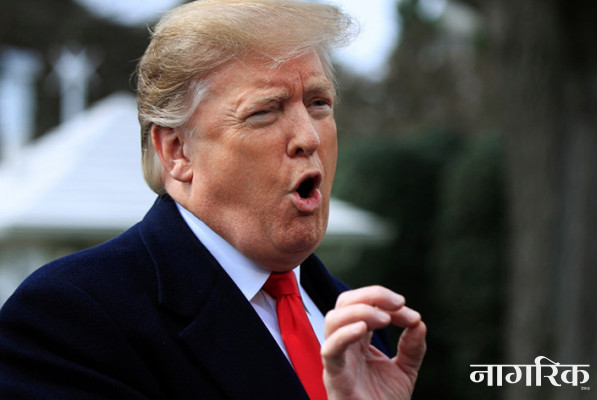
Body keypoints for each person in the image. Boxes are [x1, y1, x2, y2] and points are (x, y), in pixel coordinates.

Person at [0, 0, 426, 399]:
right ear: (178, 152)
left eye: (318, 103)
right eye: (264, 111)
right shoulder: (69, 317)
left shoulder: (358, 324)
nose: (308, 137)